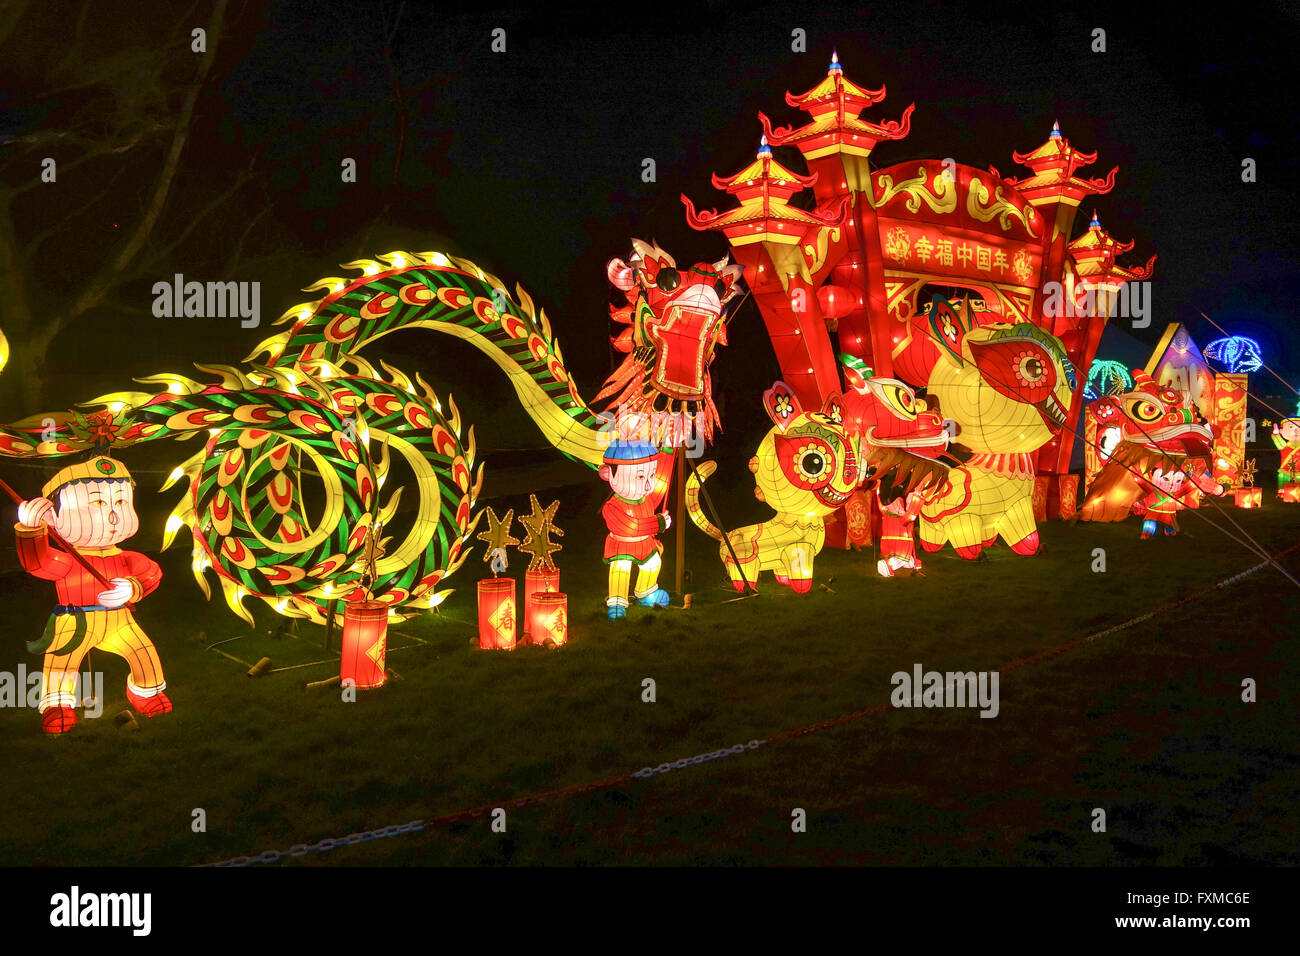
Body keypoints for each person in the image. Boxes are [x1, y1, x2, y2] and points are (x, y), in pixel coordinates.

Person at [15, 456, 171, 735]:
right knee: (61, 660)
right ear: (53, 517)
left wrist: (133, 587)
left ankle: (145, 692)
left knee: (144, 653)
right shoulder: (68, 560)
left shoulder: (123, 557)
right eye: (98, 503)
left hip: (120, 621)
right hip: (75, 621)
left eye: (121, 502)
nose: (112, 515)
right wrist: (30, 532)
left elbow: (152, 572)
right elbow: (38, 563)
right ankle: (58, 705)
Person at [598, 439, 674, 620]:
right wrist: (659, 523)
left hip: (645, 545)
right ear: (608, 474)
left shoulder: (646, 498)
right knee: (620, 570)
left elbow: (663, 477)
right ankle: (618, 601)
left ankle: (646, 592)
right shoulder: (612, 507)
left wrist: (669, 448)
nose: (648, 485)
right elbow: (630, 526)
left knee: (653, 564)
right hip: (621, 546)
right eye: (640, 477)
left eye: (650, 476)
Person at [1133, 466, 1190, 539]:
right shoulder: (1152, 490)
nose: (1171, 484)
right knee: (1150, 522)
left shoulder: (1175, 493)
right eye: (1165, 479)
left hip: (1169, 512)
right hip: (1153, 511)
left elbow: (1188, 487)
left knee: (1169, 523)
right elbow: (1141, 482)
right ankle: (1147, 532)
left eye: (1178, 481)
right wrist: (1136, 472)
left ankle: (1170, 531)